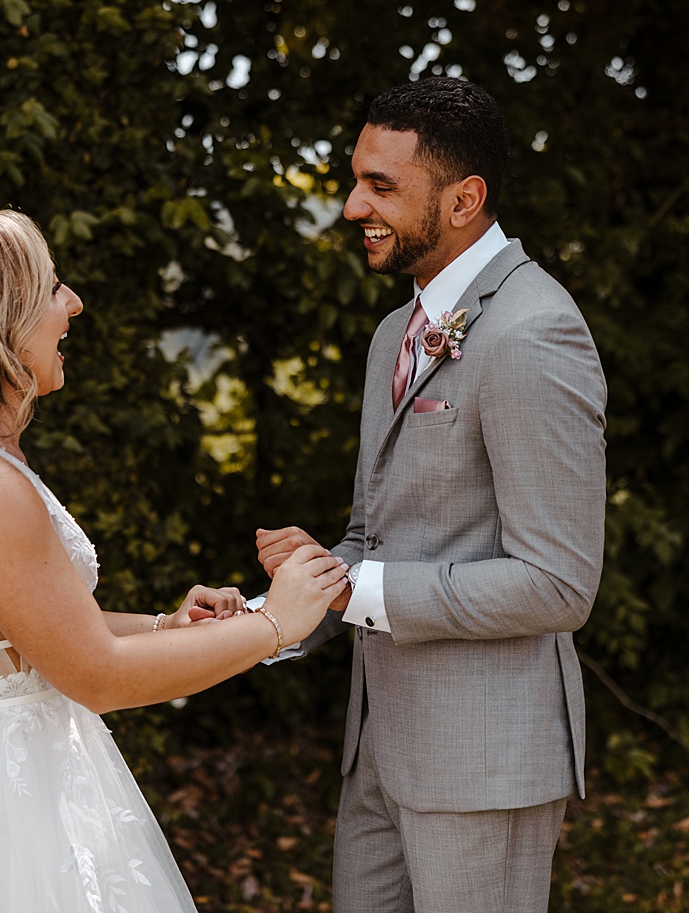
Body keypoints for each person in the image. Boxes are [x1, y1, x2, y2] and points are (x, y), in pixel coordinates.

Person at [0, 210, 349, 913]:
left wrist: (166, 625)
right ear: (3, 321)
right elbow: (95, 675)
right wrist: (276, 624)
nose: (72, 304)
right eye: (53, 287)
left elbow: (32, 632)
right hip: (9, 809)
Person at [256, 77, 607, 913]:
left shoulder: (533, 332)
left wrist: (354, 589)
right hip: (379, 750)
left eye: (380, 186)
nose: (352, 207)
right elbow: (371, 535)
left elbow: (558, 583)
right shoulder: (393, 335)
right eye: (356, 180)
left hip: (483, 763)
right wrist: (270, 613)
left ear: (464, 199)